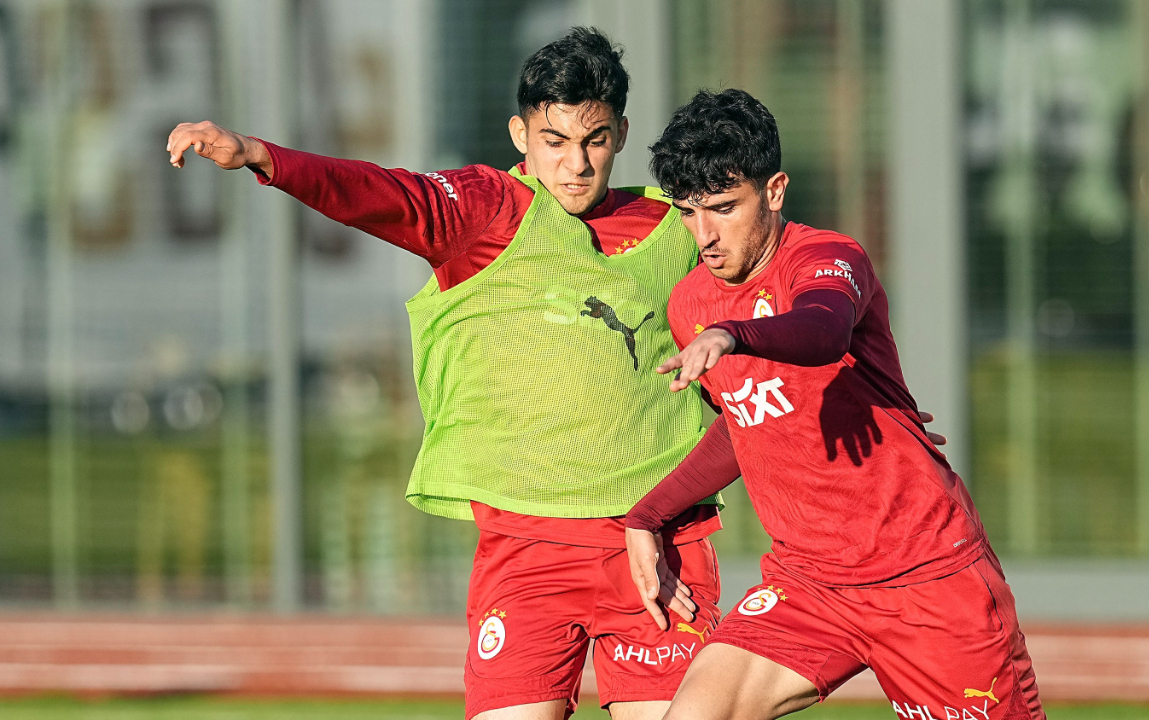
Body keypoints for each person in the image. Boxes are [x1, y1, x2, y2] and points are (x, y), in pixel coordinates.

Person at [167, 28, 717, 720]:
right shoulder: (485, 209)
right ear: (520, 133)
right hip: (526, 550)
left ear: (622, 133)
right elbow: (378, 192)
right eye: (555, 141)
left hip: (657, 549)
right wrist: (260, 156)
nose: (576, 164)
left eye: (595, 140)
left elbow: (769, 293)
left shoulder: (680, 228)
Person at [624, 89, 1044, 720]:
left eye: (723, 208)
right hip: (808, 584)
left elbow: (822, 332)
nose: (705, 236)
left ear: (775, 190)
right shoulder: (691, 304)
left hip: (925, 576)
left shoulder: (826, 258)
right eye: (688, 213)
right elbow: (748, 422)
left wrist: (735, 333)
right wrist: (647, 514)